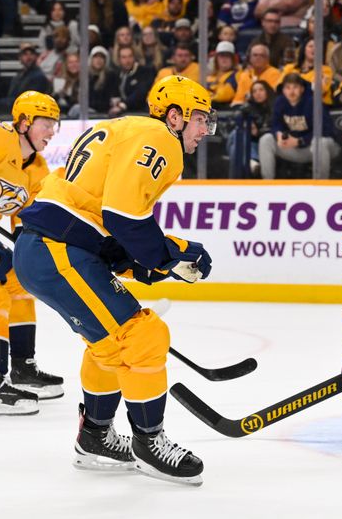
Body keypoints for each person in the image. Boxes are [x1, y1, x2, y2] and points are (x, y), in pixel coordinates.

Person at [12, 76, 217, 486]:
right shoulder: (158, 137)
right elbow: (125, 218)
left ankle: (95, 437)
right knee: (143, 335)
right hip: (57, 251)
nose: (203, 130)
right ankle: (149, 441)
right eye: (199, 119)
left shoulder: (127, 129)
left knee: (108, 346)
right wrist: (169, 254)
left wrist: (156, 262)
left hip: (51, 249)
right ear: (174, 116)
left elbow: (104, 222)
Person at [0, 91, 65, 415]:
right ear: (24, 121)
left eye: (55, 124)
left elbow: (29, 220)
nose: (52, 131)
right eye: (46, 123)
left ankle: (22, 367)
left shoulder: (38, 169)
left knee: (19, 280)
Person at [258, 73, 339, 179]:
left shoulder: (313, 102)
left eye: (295, 87)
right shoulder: (280, 102)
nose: (291, 92)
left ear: (302, 89)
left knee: (319, 143)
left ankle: (320, 185)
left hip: (320, 148)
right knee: (266, 139)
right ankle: (267, 184)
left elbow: (325, 130)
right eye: (288, 88)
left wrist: (300, 141)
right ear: (283, 90)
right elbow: (275, 124)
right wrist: (279, 136)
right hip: (294, 147)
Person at [0, 43, 49, 120]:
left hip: (23, 108)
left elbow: (28, 99)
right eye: (25, 54)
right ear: (20, 57)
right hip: (13, 104)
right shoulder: (20, 74)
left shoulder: (38, 76)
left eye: (31, 54)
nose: (29, 57)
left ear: (35, 57)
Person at [109, 45, 156, 117]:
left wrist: (122, 105)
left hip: (142, 115)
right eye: (124, 57)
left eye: (130, 56)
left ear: (134, 57)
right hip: (123, 116)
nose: (127, 60)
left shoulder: (145, 71)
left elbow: (140, 93)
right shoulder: (118, 74)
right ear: (119, 60)